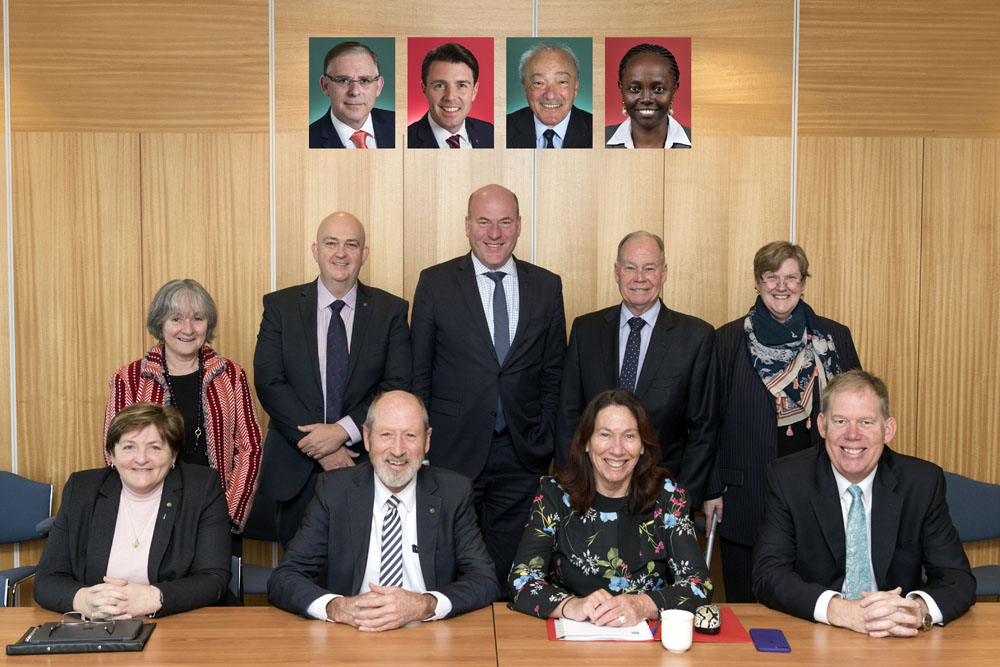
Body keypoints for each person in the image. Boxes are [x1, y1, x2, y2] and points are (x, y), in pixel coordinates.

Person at [410, 184, 565, 584]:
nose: (494, 233)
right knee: (447, 567)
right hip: (451, 451)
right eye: (484, 221)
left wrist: (543, 438)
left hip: (522, 454)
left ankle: (509, 646)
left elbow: (554, 373)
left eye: (504, 222)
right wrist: (420, 445)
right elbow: (419, 372)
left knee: (513, 572)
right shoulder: (435, 282)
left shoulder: (547, 286)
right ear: (467, 226)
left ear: (518, 226)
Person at [753, 371, 975, 635]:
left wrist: (915, 611)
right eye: (840, 421)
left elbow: (957, 578)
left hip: (897, 634)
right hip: (817, 632)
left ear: (888, 430)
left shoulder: (922, 483)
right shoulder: (788, 479)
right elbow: (768, 575)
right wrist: (840, 610)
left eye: (866, 422)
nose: (852, 435)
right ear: (822, 426)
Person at [703, 241, 861, 602]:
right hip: (745, 496)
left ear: (803, 283)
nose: (781, 286)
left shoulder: (834, 338)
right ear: (758, 283)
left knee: (812, 604)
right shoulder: (727, 340)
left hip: (820, 493)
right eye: (771, 277)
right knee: (745, 603)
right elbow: (707, 419)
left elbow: (858, 409)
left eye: (791, 277)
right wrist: (711, 488)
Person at [267, 391, 499, 629]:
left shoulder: (453, 492)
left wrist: (425, 605)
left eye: (410, 435)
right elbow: (285, 578)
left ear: (427, 440)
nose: (397, 450)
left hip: (428, 634)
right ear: (367, 438)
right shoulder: (334, 491)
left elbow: (484, 580)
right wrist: (338, 608)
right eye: (386, 434)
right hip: (351, 633)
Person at [254, 211, 411, 546]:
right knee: (298, 579)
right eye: (331, 243)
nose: (341, 253)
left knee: (359, 570)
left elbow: (395, 386)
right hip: (295, 467)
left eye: (351, 245)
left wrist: (343, 432)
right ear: (316, 250)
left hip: (363, 463)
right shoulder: (280, 306)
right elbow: (269, 382)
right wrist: (323, 448)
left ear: (364, 254)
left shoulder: (390, 311)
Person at [508, 389, 712, 623]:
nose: (617, 449)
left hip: (647, 642)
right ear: (586, 442)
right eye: (605, 435)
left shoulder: (667, 498)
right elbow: (521, 580)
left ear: (643, 446)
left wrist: (643, 605)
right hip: (571, 640)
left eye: (629, 436)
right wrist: (572, 605)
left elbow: (699, 585)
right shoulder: (555, 495)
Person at [555, 231, 718, 508]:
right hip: (591, 491)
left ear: (664, 273)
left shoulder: (695, 337)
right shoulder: (586, 330)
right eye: (630, 267)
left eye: (649, 268)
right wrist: (572, 485)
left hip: (663, 491)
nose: (639, 277)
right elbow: (568, 415)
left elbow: (705, 426)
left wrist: (681, 499)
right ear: (617, 272)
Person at [35, 402, 231, 618]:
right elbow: (46, 581)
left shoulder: (201, 488)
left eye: (155, 447)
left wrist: (153, 598)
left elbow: (213, 578)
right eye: (129, 447)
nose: (141, 458)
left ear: (173, 455)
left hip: (181, 623)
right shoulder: (82, 489)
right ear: (111, 454)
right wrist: (85, 600)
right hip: (101, 626)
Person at [104, 279, 262, 535]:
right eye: (176, 319)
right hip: (148, 518)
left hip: (216, 514)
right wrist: (141, 511)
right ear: (160, 323)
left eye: (197, 318)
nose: (188, 329)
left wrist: (228, 514)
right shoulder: (129, 378)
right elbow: (114, 452)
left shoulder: (231, 375)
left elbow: (250, 448)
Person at [309, 41, 395, 149]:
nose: (354, 92)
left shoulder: (399, 125)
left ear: (378, 87)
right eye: (343, 80)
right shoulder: (306, 141)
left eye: (365, 80)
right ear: (325, 86)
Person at [506, 42, 592, 148]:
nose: (550, 95)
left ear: (575, 87)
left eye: (562, 82)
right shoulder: (504, 128)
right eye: (538, 83)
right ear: (525, 88)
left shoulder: (596, 129)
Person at [407, 42, 493, 149]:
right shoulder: (405, 141)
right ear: (425, 90)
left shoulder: (491, 133)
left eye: (461, 85)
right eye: (440, 85)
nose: (450, 96)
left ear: (474, 91)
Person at [606, 44, 691, 149]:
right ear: (621, 89)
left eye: (658, 89)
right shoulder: (598, 139)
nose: (646, 99)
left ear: (674, 90)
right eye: (635, 89)